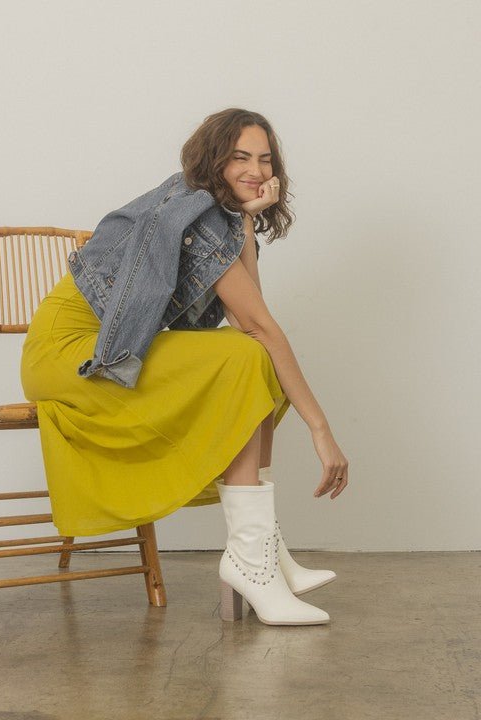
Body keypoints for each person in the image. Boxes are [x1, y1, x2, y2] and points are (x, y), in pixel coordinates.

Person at [20, 107, 349, 627]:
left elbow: (250, 318)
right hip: (69, 351)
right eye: (240, 157)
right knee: (245, 357)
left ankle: (262, 551)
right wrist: (320, 429)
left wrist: (245, 220)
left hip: (108, 340)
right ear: (213, 159)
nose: (256, 171)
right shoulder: (200, 216)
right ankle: (253, 562)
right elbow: (257, 326)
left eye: (265, 160)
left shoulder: (216, 213)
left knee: (252, 359)